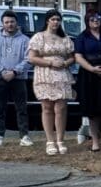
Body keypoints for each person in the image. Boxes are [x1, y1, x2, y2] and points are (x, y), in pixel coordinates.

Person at [27, 10, 75, 155]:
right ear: (47, 21)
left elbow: (73, 57)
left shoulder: (65, 38)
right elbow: (32, 58)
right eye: (53, 19)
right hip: (44, 74)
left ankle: (60, 140)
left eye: (58, 20)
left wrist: (65, 63)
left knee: (61, 108)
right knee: (47, 107)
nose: (56, 22)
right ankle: (50, 141)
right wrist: (49, 62)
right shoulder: (39, 37)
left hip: (62, 75)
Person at [0, 10, 32, 147]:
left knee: (22, 108)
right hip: (0, 78)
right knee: (0, 108)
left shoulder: (25, 40)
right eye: (6, 22)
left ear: (16, 23)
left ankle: (24, 136)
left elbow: (28, 59)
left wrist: (14, 71)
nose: (10, 24)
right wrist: (3, 72)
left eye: (12, 22)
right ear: (2, 24)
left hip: (19, 79)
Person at [74, 10, 101, 152]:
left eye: (98, 18)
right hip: (89, 76)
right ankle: (95, 142)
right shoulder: (81, 37)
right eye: (92, 19)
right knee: (92, 110)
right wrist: (92, 69)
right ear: (87, 21)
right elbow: (78, 57)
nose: (96, 21)